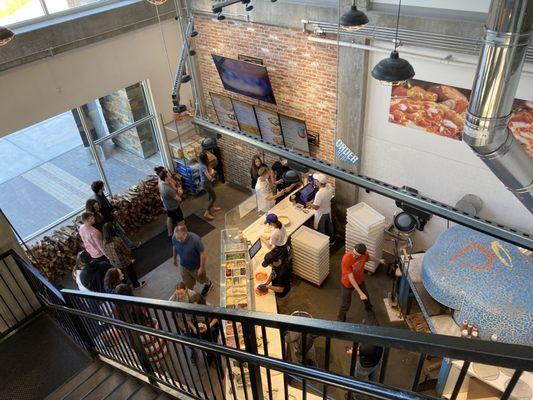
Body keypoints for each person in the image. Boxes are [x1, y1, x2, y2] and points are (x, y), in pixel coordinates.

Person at [337, 243, 384, 322]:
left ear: (362, 254)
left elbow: (369, 258)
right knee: (345, 304)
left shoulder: (364, 255)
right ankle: (340, 319)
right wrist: (360, 293)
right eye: (354, 253)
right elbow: (351, 278)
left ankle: (369, 309)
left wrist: (379, 260)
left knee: (366, 298)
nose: (354, 256)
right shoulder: (346, 258)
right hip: (347, 284)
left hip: (359, 280)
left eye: (357, 255)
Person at [91, 180, 137, 249]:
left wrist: (113, 209)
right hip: (109, 220)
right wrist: (113, 214)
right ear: (100, 189)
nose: (104, 187)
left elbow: (108, 204)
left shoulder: (101, 194)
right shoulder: (99, 201)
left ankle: (129, 246)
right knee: (120, 233)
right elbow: (104, 214)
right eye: (103, 186)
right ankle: (131, 246)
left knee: (121, 233)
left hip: (111, 218)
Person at [102, 222, 145, 289]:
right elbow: (125, 250)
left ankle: (124, 288)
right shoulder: (116, 240)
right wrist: (130, 257)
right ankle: (136, 285)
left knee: (122, 277)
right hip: (123, 260)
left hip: (114, 262)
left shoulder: (104, 241)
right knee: (131, 273)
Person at [172, 225, 212, 297]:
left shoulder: (195, 240)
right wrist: (174, 258)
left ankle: (208, 283)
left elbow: (202, 254)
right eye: (177, 238)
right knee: (187, 283)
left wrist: (201, 268)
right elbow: (174, 247)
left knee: (202, 278)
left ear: (186, 234)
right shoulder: (175, 237)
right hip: (183, 265)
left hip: (196, 266)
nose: (179, 240)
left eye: (180, 238)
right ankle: (190, 294)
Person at [155, 166, 184, 239]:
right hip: (173, 206)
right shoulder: (167, 188)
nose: (170, 174)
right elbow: (179, 199)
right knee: (181, 222)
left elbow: (173, 187)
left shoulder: (162, 183)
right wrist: (180, 191)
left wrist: (175, 187)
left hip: (167, 205)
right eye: (168, 174)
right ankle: (180, 236)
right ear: (165, 177)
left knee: (170, 217)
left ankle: (170, 233)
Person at [306, 173, 334, 241]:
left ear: (318, 182)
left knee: (321, 228)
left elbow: (316, 207)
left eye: (315, 180)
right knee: (329, 225)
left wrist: (309, 203)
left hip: (321, 214)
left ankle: (323, 242)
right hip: (327, 210)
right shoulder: (329, 186)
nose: (314, 181)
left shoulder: (320, 193)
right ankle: (332, 240)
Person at [199, 151, 221, 220]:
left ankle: (212, 208)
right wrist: (213, 177)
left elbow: (209, 170)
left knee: (210, 195)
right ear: (205, 159)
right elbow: (208, 176)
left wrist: (212, 171)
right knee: (213, 197)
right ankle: (207, 212)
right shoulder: (203, 166)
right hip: (206, 183)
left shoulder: (202, 164)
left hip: (206, 182)